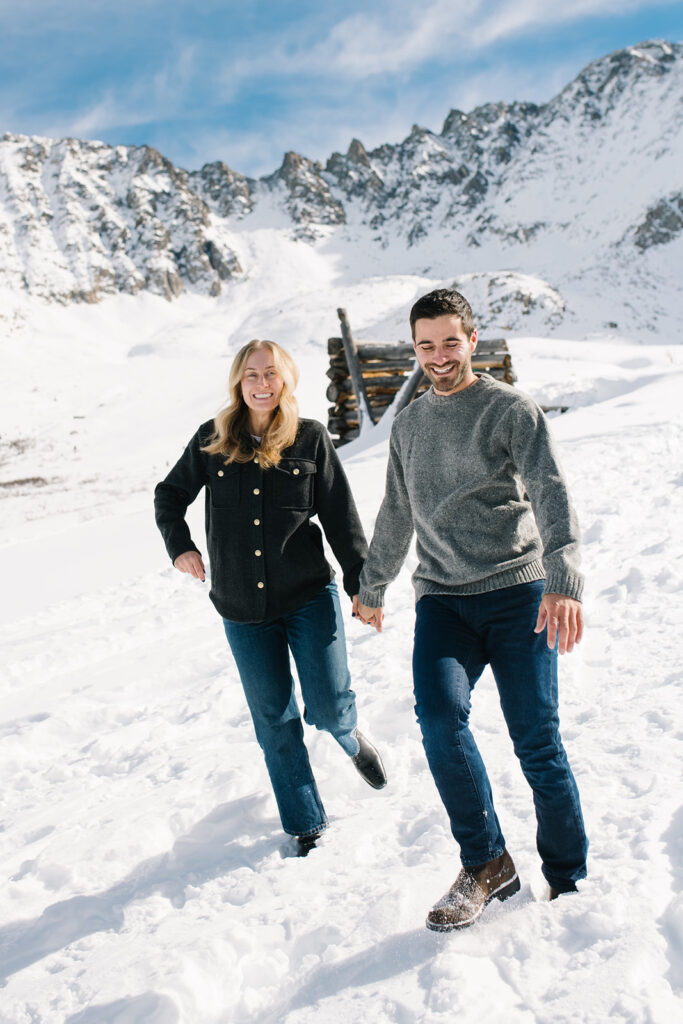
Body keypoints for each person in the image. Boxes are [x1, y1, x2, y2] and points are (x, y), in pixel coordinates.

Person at [354, 288, 588, 928]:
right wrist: (373, 586)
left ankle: (568, 882)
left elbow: (551, 493)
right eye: (425, 344)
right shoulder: (408, 424)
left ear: (472, 340)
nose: (438, 355)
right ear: (414, 348)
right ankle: (485, 862)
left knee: (536, 740)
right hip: (445, 602)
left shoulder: (511, 410)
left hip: (518, 593)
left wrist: (563, 579)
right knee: (437, 716)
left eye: (449, 342)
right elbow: (398, 512)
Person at [155, 339, 386, 856]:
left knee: (326, 707)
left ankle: (349, 738)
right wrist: (180, 548)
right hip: (241, 609)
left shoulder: (309, 438)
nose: (262, 384)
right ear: (239, 381)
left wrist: (361, 587)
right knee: (276, 722)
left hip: (308, 596)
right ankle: (307, 825)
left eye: (271, 374)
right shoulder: (211, 440)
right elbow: (168, 495)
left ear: (287, 380)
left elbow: (341, 519)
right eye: (252, 375)